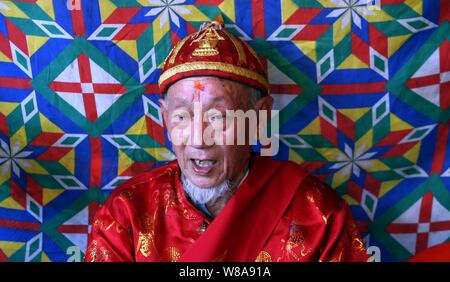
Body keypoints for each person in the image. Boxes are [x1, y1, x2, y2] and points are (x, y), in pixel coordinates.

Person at [84, 21, 367, 262]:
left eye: (218, 117)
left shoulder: (318, 215)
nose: (198, 139)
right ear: (165, 119)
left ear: (259, 118)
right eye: (182, 116)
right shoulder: (126, 214)